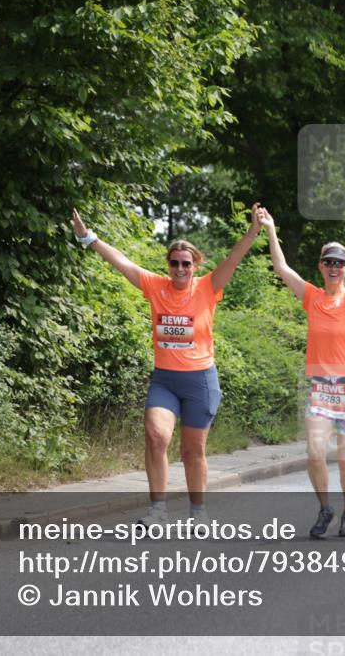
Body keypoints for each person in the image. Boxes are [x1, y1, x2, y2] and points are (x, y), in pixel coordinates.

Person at [71, 204, 263, 528]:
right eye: (174, 263)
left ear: (195, 264)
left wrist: (254, 230)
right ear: (168, 264)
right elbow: (122, 262)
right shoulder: (156, 286)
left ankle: (198, 512)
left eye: (185, 263)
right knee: (156, 437)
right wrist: (89, 238)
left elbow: (232, 260)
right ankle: (158, 511)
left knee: (192, 452)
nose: (179, 269)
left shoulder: (207, 288)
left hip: (200, 380)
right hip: (165, 380)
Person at [262, 210, 345, 538]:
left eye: (340, 263)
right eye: (330, 262)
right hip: (321, 388)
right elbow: (282, 269)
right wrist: (271, 228)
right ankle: (326, 508)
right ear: (321, 267)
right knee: (314, 454)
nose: (335, 268)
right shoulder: (311, 296)